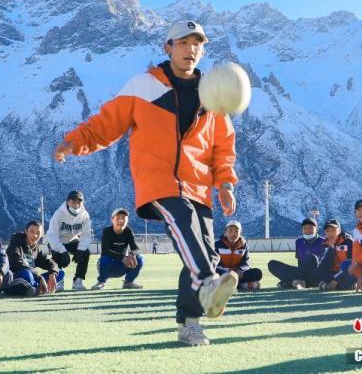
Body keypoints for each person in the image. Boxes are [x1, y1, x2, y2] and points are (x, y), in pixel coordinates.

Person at [54, 21, 240, 347]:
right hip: (158, 181)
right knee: (186, 227)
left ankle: (189, 324)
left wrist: (225, 183)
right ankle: (208, 282)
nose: (190, 49)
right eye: (183, 42)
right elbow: (106, 123)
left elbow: (222, 144)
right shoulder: (144, 86)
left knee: (205, 254)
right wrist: (75, 142)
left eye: (197, 43)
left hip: (198, 186)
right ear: (168, 47)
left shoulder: (212, 93)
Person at [46, 190, 92, 291]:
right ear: (67, 202)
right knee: (56, 255)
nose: (76, 205)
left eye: (79, 202)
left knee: (85, 253)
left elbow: (86, 235)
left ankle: (78, 280)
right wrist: (63, 251)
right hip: (57, 241)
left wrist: (80, 250)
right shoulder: (58, 214)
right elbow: (52, 236)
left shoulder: (84, 215)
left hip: (72, 240)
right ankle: (59, 280)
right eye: (73, 201)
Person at [4, 221, 64, 297]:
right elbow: (18, 263)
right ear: (26, 232)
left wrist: (52, 274)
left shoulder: (36, 248)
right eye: (31, 232)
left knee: (60, 272)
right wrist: (39, 276)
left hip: (31, 279)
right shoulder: (15, 242)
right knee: (27, 274)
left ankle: (36, 288)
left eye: (38, 233)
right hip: (14, 278)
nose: (35, 236)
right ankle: (38, 288)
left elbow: (50, 263)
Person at [91, 208, 144, 290]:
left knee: (140, 258)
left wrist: (132, 254)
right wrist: (122, 257)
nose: (121, 220)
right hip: (108, 265)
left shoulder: (128, 231)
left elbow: (135, 248)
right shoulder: (107, 231)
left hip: (123, 265)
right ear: (112, 220)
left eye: (123, 218)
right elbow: (106, 250)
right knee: (104, 259)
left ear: (127, 220)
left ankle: (128, 282)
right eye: (118, 218)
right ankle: (101, 282)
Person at [268, 218, 325, 289]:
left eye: (310, 228)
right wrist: (300, 273)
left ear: (316, 229)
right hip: (301, 272)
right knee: (272, 264)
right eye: (305, 228)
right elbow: (299, 262)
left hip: (316, 274)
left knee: (312, 258)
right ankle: (297, 282)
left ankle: (289, 282)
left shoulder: (324, 242)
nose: (307, 230)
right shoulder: (299, 242)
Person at [215, 221, 261, 291]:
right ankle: (242, 285)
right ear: (225, 232)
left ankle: (230, 285)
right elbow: (216, 264)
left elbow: (246, 263)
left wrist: (240, 271)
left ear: (240, 233)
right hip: (224, 273)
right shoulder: (217, 245)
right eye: (230, 231)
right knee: (214, 271)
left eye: (236, 231)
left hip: (238, 274)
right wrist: (229, 272)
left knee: (257, 273)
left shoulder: (244, 245)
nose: (233, 233)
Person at [315, 219, 355, 291]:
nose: (330, 233)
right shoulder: (325, 244)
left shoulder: (348, 242)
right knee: (318, 271)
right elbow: (321, 266)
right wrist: (331, 249)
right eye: (328, 231)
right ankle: (340, 285)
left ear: (339, 230)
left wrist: (336, 279)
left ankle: (328, 285)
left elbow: (352, 263)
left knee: (351, 270)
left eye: (333, 230)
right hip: (333, 273)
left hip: (345, 272)